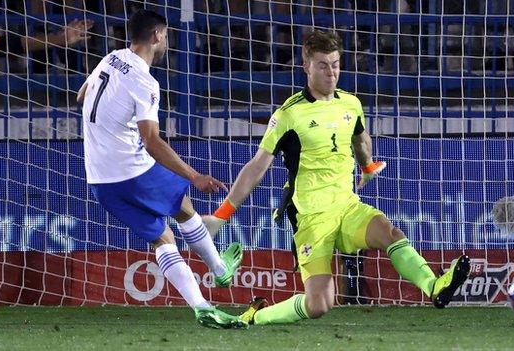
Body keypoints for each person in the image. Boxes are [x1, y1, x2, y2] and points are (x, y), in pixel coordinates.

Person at [203, 29, 471, 325]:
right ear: (306, 66)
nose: (331, 72)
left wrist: (367, 166)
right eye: (322, 65)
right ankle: (253, 317)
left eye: (335, 64)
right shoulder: (289, 115)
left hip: (346, 206)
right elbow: (256, 167)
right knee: (319, 303)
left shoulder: (350, 104)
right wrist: (222, 215)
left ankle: (434, 287)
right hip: (312, 217)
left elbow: (360, 139)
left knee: (390, 233)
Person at [77, 9, 246, 329]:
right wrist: (194, 176)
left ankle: (202, 306)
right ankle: (221, 271)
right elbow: (152, 140)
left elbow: (82, 95)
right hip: (132, 170)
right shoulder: (145, 81)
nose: (166, 41)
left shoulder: (111, 57)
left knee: (163, 239)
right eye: (166, 35)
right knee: (183, 204)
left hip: (100, 179)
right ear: (156, 36)